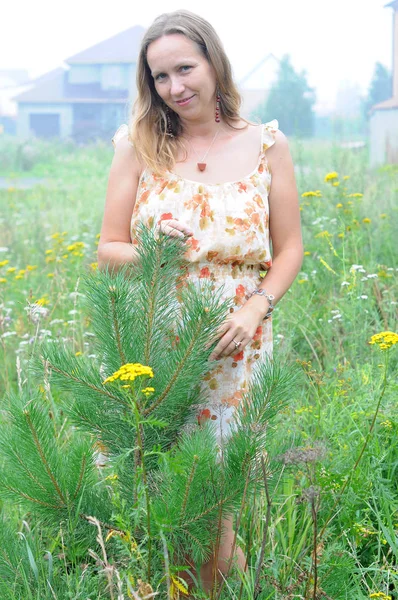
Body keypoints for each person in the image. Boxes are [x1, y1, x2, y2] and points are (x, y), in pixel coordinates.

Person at [98, 8, 303, 596]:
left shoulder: (267, 144)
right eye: (159, 77)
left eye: (184, 68)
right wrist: (154, 252)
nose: (175, 87)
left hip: (236, 346)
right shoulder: (137, 146)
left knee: (214, 501)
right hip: (154, 343)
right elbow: (109, 247)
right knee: (160, 496)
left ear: (213, 62)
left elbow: (289, 249)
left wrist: (255, 306)